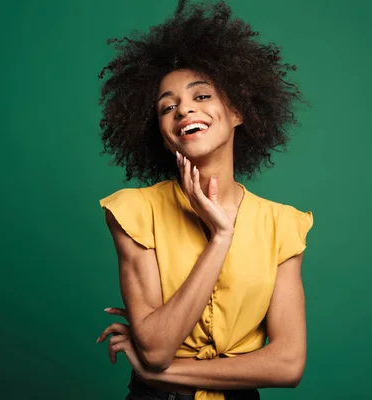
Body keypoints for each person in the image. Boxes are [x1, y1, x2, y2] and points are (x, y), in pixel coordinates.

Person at [95, 1, 313, 399]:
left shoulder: (282, 225)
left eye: (202, 96)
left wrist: (161, 372)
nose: (185, 110)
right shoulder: (133, 212)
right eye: (168, 107)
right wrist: (221, 238)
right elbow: (158, 347)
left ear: (236, 112)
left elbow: (288, 364)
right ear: (163, 135)